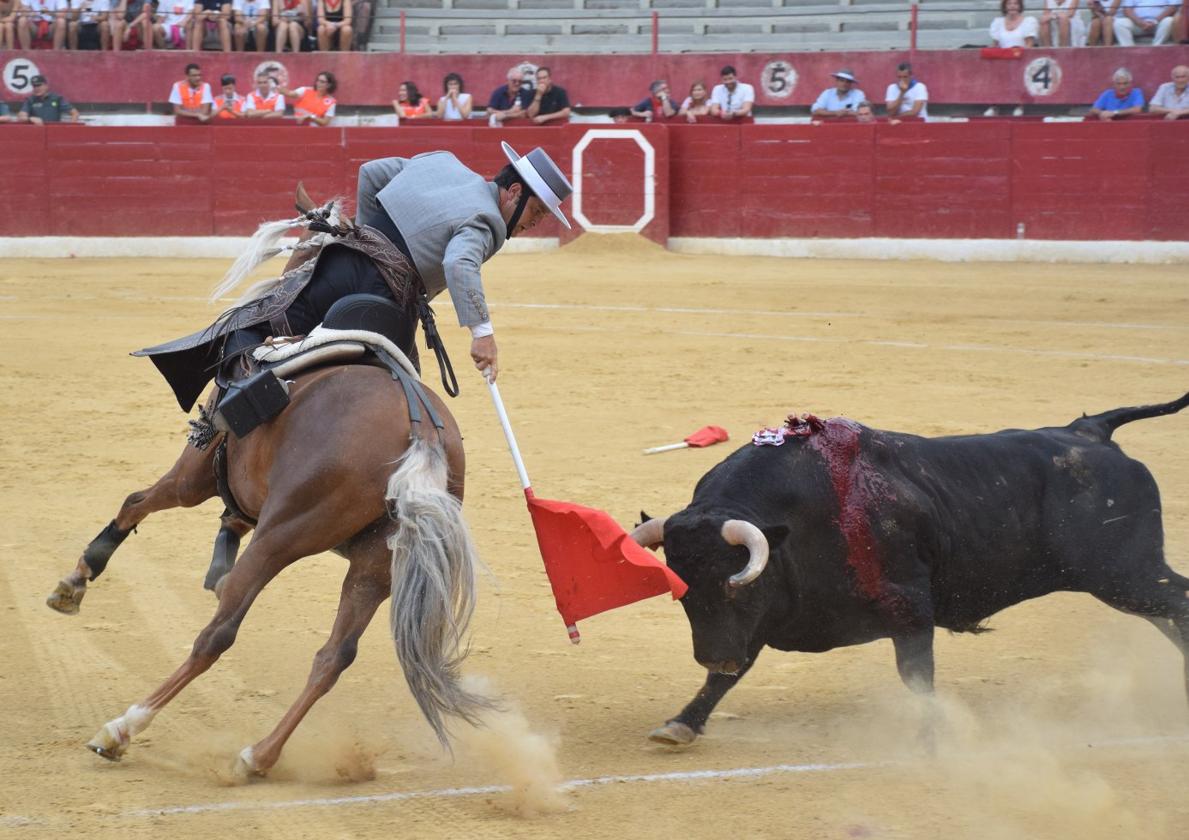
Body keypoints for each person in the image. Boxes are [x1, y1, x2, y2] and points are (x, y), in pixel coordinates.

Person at [136, 142, 574, 419]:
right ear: (514, 192)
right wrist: (482, 334)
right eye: (536, 213)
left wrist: (368, 236)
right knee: (409, 407)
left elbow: (373, 172)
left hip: (339, 265)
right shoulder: (488, 222)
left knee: (265, 324)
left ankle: (231, 409)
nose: (533, 225)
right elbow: (461, 263)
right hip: (383, 302)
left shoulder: (444, 163)